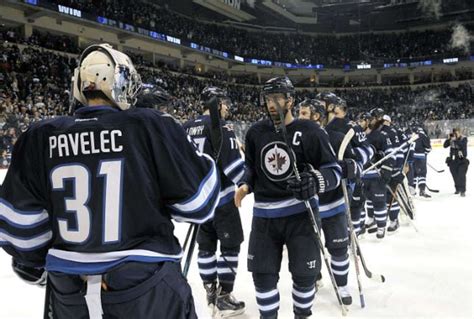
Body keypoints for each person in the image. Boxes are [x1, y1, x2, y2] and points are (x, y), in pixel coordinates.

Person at [0, 43, 220, 319]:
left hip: (70, 295)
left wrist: (59, 261)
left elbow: (19, 231)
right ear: (124, 83)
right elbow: (199, 205)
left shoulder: (39, 135)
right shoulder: (151, 124)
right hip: (146, 288)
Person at [234, 77, 342, 319]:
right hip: (264, 217)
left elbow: (333, 170)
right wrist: (245, 183)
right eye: (268, 99)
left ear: (290, 100)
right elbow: (251, 167)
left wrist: (315, 181)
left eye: (277, 98)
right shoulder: (255, 133)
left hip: (301, 216)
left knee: (304, 277)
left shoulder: (311, 131)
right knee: (262, 276)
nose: (271, 104)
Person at [183, 86, 246, 317]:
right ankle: (224, 296)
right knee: (230, 246)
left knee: (206, 247)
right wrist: (251, 182)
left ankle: (210, 291)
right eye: (225, 103)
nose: (227, 107)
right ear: (216, 104)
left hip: (200, 203)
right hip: (222, 200)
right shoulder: (222, 126)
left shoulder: (187, 127)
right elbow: (232, 166)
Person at [298, 98, 361, 306]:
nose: (299, 118)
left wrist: (349, 167)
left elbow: (356, 166)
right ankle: (314, 278)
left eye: (304, 114)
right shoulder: (293, 140)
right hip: (307, 208)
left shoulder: (336, 137)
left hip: (334, 206)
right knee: (309, 251)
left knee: (339, 249)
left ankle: (342, 284)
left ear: (317, 116)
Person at [444, 128, 469, 197]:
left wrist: (456, 140)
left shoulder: (464, 139)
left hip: (461, 159)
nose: (455, 134)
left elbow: (462, 145)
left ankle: (463, 190)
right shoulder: (452, 139)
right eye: (454, 132)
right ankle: (457, 188)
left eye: (457, 133)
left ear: (460, 132)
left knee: (461, 175)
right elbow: (445, 146)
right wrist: (449, 139)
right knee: (455, 175)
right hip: (453, 160)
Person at [413, 126, 432, 198]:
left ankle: (413, 190)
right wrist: (425, 154)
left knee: (414, 174)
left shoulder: (413, 135)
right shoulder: (424, 136)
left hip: (412, 157)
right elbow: (428, 148)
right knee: (422, 174)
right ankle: (422, 190)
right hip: (421, 157)